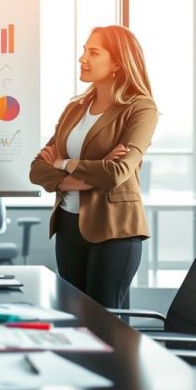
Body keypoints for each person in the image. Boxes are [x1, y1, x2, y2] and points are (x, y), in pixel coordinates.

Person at [29, 24, 158, 309]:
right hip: (68, 225)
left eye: (93, 52)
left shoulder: (140, 108)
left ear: (117, 63)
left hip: (115, 230)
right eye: (83, 51)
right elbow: (37, 169)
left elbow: (117, 173)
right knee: (74, 317)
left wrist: (63, 164)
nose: (82, 59)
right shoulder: (75, 108)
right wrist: (84, 175)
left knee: (104, 322)